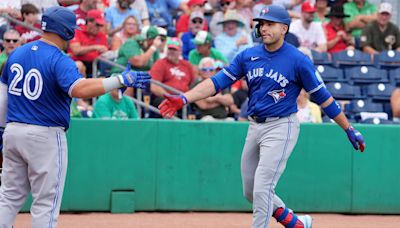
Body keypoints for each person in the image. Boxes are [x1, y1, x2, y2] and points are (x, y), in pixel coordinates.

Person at [158, 5, 365, 228]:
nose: (263, 28)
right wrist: (184, 98)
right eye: (262, 24)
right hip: (255, 126)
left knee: (262, 188)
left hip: (281, 126)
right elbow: (217, 82)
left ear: (284, 28)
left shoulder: (298, 60)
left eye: (270, 24)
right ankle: (295, 223)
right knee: (250, 191)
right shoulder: (248, 55)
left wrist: (348, 128)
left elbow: (324, 98)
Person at [0, 6, 150, 228]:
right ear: (66, 31)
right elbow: (79, 89)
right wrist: (120, 80)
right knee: (46, 203)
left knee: (9, 197)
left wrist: (2, 130)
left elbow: (3, 96)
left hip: (13, 131)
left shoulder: (18, 53)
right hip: (44, 134)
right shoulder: (60, 60)